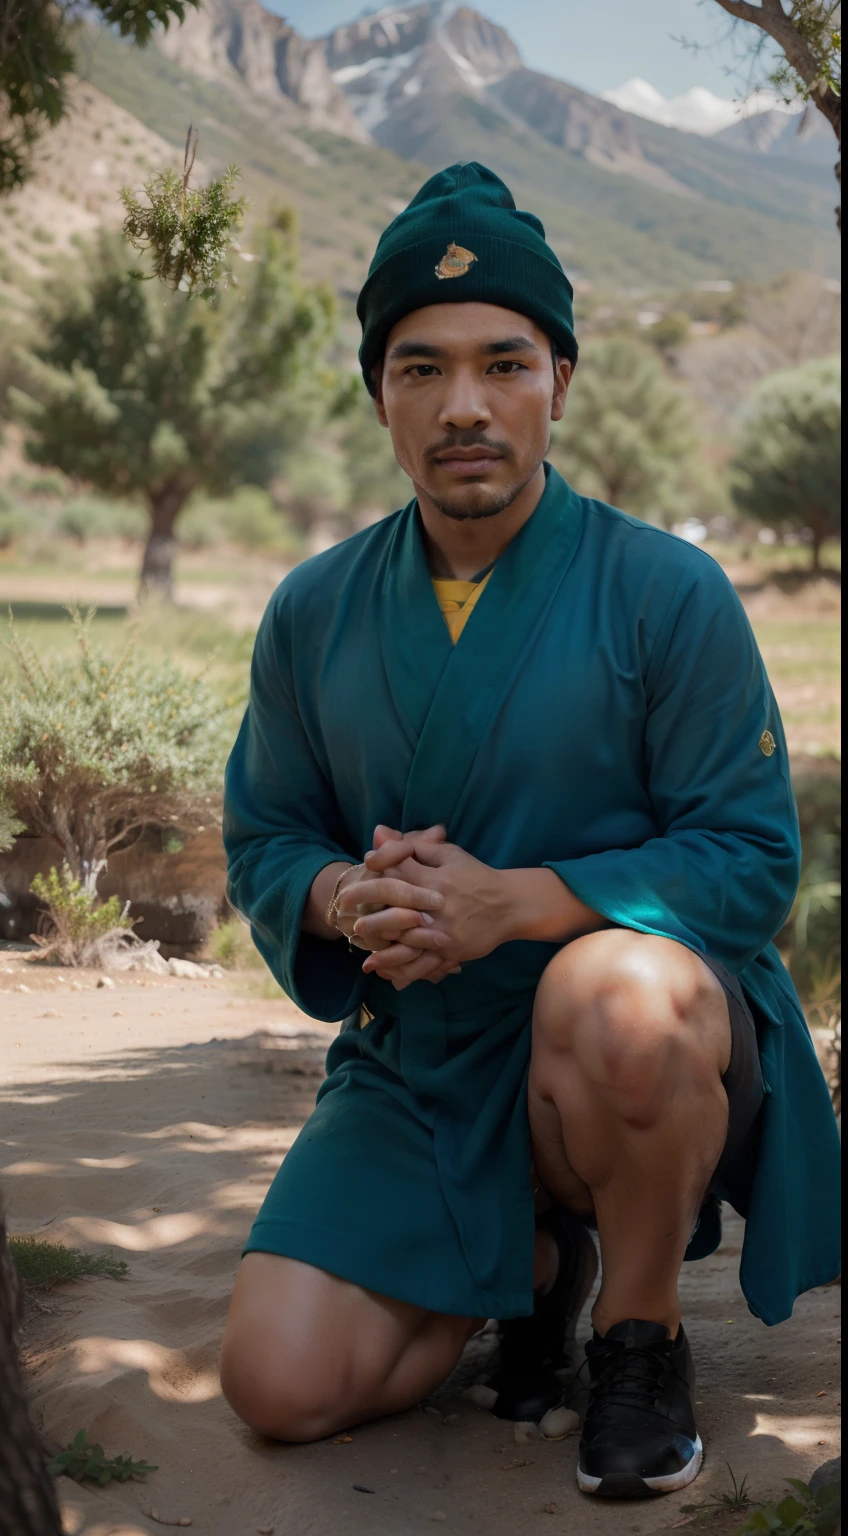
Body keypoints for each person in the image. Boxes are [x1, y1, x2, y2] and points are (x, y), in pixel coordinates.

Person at [219, 162, 841, 1499]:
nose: (464, 407)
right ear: (376, 392)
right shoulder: (314, 611)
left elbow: (749, 857)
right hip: (422, 1058)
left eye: (504, 363)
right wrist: (341, 899)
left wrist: (521, 904)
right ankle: (536, 1262)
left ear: (561, 377)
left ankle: (639, 1333)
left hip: (636, 1046)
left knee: (612, 990)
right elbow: (268, 831)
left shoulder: (667, 592)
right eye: (421, 368)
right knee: (278, 1387)